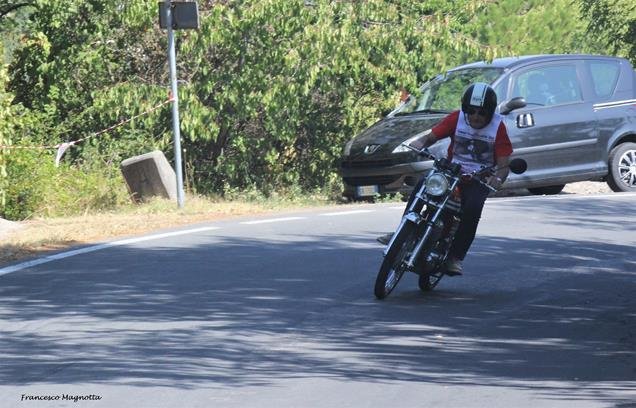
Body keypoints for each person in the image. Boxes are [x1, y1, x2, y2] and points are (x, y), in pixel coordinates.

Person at [377, 82, 513, 276]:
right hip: (451, 171)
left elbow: (503, 165)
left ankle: (455, 257)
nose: (476, 116)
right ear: (465, 109)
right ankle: (402, 232)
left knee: (473, 208)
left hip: (478, 178)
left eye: (482, 113)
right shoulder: (457, 118)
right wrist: (418, 144)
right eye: (471, 111)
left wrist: (497, 180)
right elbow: (430, 137)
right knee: (423, 185)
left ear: (490, 113)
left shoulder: (498, 127)